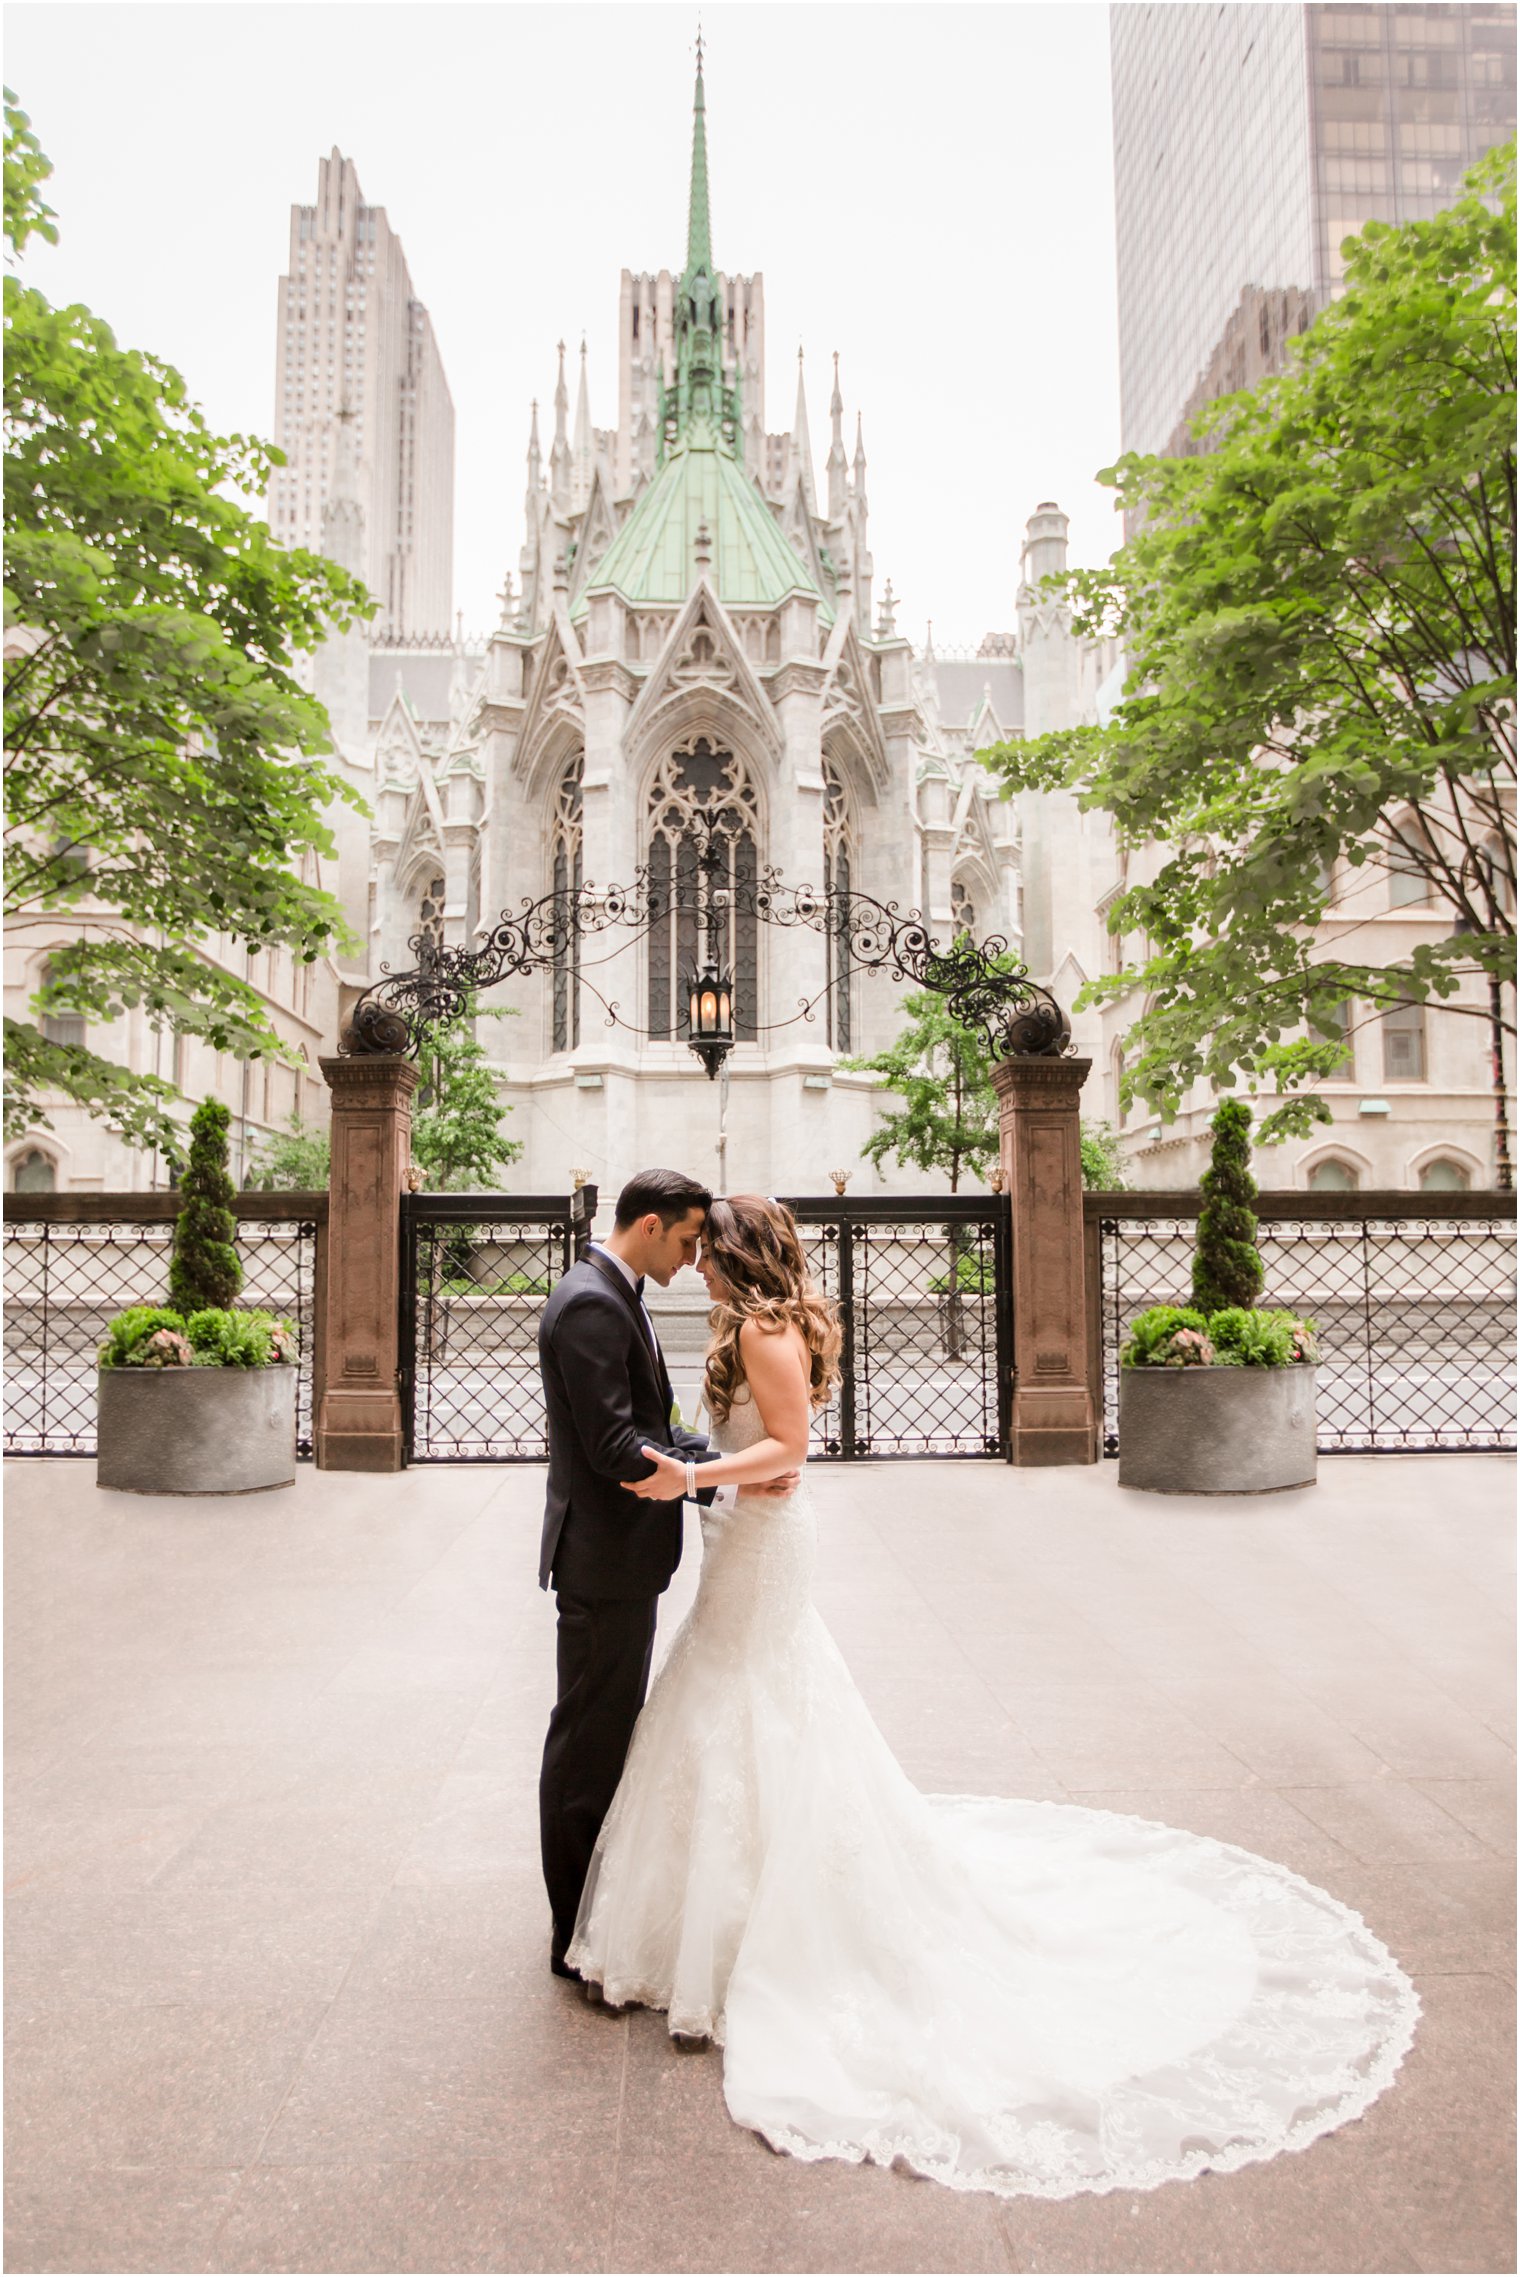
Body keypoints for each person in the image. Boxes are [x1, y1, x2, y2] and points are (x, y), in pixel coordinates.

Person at [563, 1193, 1420, 2200]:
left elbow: (790, 1456)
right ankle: (719, 1915)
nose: (697, 1267)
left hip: (759, 1546)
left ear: (742, 1258)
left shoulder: (763, 1330)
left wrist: (683, 1480)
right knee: (732, 1703)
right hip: (743, 1541)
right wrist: (709, 1476)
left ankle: (763, 1926)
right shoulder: (753, 1325)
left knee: (745, 1700)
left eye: (710, 1253)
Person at [536, 1168, 797, 1982]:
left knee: (607, 1733)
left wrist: (706, 1463)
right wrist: (710, 1469)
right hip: (605, 1560)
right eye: (687, 1240)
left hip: (625, 1556)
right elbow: (618, 1447)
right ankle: (573, 1926)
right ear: (648, 1225)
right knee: (588, 1742)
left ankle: (594, 1912)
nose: (694, 1259)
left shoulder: (611, 1292)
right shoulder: (590, 1301)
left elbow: (650, 1425)